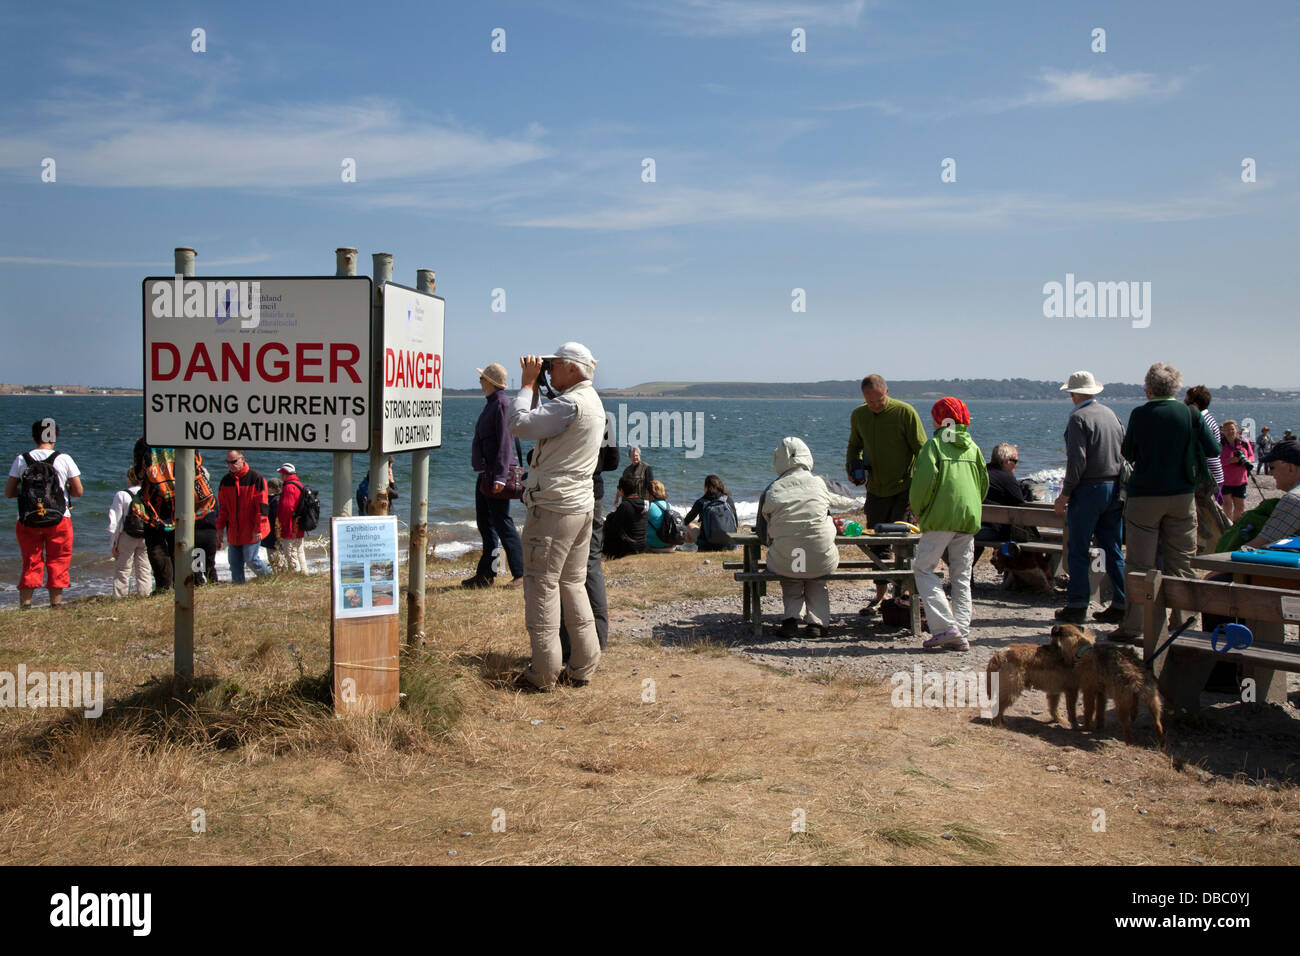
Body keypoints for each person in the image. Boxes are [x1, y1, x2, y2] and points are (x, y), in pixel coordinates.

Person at [507, 342, 605, 691]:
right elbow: (540, 425)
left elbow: (518, 424)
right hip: (580, 505)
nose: (548, 371)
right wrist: (539, 385)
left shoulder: (570, 404)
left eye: (554, 365)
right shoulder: (590, 401)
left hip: (553, 508)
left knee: (541, 585)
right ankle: (583, 666)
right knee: (572, 584)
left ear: (574, 368)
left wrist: (527, 384)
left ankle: (543, 673)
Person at [1112, 363, 1220, 642]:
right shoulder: (1190, 413)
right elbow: (1213, 448)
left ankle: (1135, 625)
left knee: (1139, 563)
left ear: (1148, 387)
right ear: (1176, 388)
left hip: (1145, 495)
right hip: (1182, 495)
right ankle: (1183, 620)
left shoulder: (1140, 414)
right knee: (1181, 561)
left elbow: (1128, 451)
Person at [910, 398, 988, 651]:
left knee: (923, 568)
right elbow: (983, 483)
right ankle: (961, 631)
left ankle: (945, 628)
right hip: (968, 517)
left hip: (941, 517)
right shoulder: (972, 448)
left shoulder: (934, 446)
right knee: (961, 576)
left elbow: (923, 483)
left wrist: (918, 509)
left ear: (940, 420)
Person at [845, 374, 927, 611]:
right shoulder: (859, 415)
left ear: (887, 392)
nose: (875, 405)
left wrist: (922, 487)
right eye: (869, 401)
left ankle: (906, 594)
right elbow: (854, 445)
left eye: (879, 400)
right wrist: (852, 466)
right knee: (877, 543)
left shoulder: (905, 412)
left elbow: (922, 450)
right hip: (875, 490)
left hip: (904, 488)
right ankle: (881, 595)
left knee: (903, 541)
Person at [1052, 371, 1127, 626]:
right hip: (1114, 486)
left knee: (1079, 549)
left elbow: (1077, 460)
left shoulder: (1078, 419)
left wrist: (1065, 493)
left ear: (1073, 394)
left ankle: (1077, 604)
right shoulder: (1112, 415)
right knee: (1113, 547)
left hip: (1088, 488)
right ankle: (1123, 600)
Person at [755, 437, 839, 638]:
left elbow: (762, 533)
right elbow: (845, 499)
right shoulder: (821, 484)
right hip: (821, 558)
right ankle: (817, 624)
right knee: (817, 579)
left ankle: (791, 620)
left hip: (787, 560)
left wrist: (773, 541)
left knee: (792, 576)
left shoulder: (772, 489)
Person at [6, 419, 82, 608]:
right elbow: (78, 491)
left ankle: (25, 606)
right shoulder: (64, 458)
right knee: (58, 561)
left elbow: (9, 492)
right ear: (55, 436)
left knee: (31, 561)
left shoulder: (22, 459)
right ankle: (55, 606)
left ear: (33, 436)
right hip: (59, 519)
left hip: (27, 520)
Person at [464, 362, 525, 589]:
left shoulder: (500, 403)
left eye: (482, 378)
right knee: (485, 523)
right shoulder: (493, 403)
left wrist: (500, 476)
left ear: (490, 382)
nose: (479, 382)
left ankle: (521, 573)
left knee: (501, 523)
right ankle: (486, 574)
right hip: (486, 474)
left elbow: (504, 442)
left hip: (495, 476)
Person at [559, 436, 619, 661]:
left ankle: (566, 643)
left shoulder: (565, 408)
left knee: (563, 567)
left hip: (569, 493)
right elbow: (612, 461)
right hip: (594, 492)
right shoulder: (603, 416)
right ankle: (599, 638)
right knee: (592, 565)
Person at [216, 449, 272, 584]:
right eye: (228, 462)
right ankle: (239, 588)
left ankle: (271, 579)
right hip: (234, 531)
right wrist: (219, 529)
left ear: (242, 459)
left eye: (234, 461)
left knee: (251, 559)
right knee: (234, 564)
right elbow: (222, 508)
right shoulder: (225, 481)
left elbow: (262, 506)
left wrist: (258, 528)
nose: (230, 465)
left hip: (253, 528)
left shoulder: (256, 478)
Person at [1185, 385, 1227, 552]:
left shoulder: (1201, 420)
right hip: (1213, 472)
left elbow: (1208, 449)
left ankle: (1209, 547)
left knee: (1208, 514)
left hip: (1209, 474)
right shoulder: (1207, 418)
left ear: (1194, 403)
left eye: (1187, 399)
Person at [1241, 440, 1300, 548]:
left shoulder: (1294, 499)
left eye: (1272, 467)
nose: (1270, 473)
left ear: (1291, 468)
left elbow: (1258, 545)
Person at [107, 467, 153, 598]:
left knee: (123, 569)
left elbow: (114, 521)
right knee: (144, 568)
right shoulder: (149, 493)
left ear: (129, 478)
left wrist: (113, 544)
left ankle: (120, 596)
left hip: (128, 535)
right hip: (146, 534)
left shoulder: (122, 495)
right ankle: (145, 594)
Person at [684, 475, 739, 551]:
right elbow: (736, 523)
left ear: (706, 487)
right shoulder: (728, 499)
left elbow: (686, 521)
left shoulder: (701, 502)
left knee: (689, 525)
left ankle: (688, 547)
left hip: (708, 545)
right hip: (731, 544)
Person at [1218, 421, 1255, 524]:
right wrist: (1229, 461)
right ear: (1223, 431)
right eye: (1227, 430)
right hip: (1225, 480)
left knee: (1240, 507)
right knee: (1227, 505)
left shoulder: (1244, 442)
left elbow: (1252, 456)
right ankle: (1227, 527)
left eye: (1232, 429)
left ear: (1236, 430)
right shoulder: (1219, 444)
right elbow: (1214, 461)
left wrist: (1246, 461)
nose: (1230, 432)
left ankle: (1235, 525)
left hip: (1240, 480)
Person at [603, 475, 648, 558]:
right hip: (642, 544)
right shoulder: (645, 503)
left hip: (630, 546)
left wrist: (611, 515)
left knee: (608, 522)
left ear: (621, 490)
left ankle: (608, 554)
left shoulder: (625, 505)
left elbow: (614, 526)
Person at [276, 463, 309, 573]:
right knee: (299, 551)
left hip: (290, 527)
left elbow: (287, 509)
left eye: (281, 473)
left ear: (285, 473)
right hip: (299, 525)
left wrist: (281, 526)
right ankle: (304, 574)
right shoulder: (299, 484)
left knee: (290, 553)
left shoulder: (289, 487)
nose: (280, 475)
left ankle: (297, 576)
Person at [194, 465, 219, 584]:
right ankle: (212, 583)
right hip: (210, 532)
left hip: (197, 532)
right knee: (209, 563)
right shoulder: (212, 497)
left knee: (197, 564)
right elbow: (217, 515)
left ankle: (199, 584)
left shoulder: (191, 497)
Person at [645, 479, 677, 552]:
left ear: (649, 493)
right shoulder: (669, 506)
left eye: (646, 492)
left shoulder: (649, 506)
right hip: (671, 546)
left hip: (654, 547)